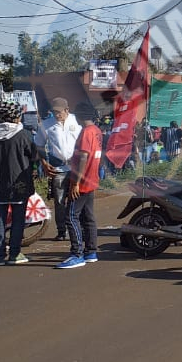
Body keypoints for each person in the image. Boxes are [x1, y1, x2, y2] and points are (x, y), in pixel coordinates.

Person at [0, 102, 43, 265]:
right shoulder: (24, 134)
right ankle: (14, 254)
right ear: (16, 117)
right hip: (19, 182)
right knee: (18, 219)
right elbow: (34, 155)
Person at [56, 102, 103, 269]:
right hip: (91, 179)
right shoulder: (96, 131)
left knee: (71, 216)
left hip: (82, 182)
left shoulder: (86, 132)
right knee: (88, 216)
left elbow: (83, 157)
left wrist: (75, 183)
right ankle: (91, 251)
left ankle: (77, 254)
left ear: (80, 116)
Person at [35, 97, 80, 241]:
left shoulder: (77, 121)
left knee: (77, 198)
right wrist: (43, 162)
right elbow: (39, 145)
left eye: (59, 112)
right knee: (59, 201)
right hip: (58, 168)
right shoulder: (46, 124)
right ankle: (61, 230)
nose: (57, 114)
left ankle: (77, 228)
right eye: (54, 112)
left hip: (76, 167)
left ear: (67, 110)